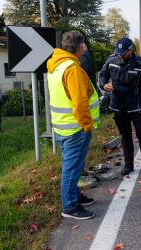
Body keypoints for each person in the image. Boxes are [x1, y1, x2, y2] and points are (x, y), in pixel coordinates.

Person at [47, 30, 100, 220]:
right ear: (80, 47)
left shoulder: (56, 65)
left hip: (63, 126)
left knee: (74, 166)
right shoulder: (73, 69)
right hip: (75, 128)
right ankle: (69, 206)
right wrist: (87, 125)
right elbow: (79, 102)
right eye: (83, 46)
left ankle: (76, 196)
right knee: (71, 168)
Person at [99, 37, 141, 177]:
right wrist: (104, 85)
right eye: (118, 52)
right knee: (125, 135)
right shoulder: (111, 60)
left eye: (123, 53)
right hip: (118, 105)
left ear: (130, 51)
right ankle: (128, 164)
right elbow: (102, 76)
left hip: (136, 105)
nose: (120, 55)